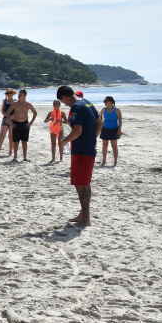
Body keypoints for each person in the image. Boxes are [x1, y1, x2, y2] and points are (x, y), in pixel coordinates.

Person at [58, 86, 102, 226]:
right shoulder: (87, 102)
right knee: (85, 182)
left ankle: (86, 218)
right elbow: (100, 122)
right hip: (89, 148)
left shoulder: (76, 107)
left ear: (64, 97)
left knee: (80, 184)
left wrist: (64, 141)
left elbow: (77, 131)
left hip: (81, 150)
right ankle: (83, 214)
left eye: (63, 102)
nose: (65, 105)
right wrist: (92, 138)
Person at [5, 89, 37, 162]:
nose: (19, 96)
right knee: (16, 141)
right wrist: (10, 123)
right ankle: (15, 156)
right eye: (19, 94)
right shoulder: (15, 103)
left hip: (25, 124)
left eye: (21, 95)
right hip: (16, 123)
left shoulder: (28, 104)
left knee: (24, 141)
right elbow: (8, 112)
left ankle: (25, 157)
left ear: (25, 96)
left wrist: (30, 123)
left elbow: (35, 113)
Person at [99, 96, 122, 166]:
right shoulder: (104, 109)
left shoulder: (117, 110)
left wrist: (119, 130)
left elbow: (120, 121)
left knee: (114, 146)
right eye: (104, 101)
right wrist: (101, 122)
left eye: (106, 101)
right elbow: (99, 116)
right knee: (104, 145)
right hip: (105, 129)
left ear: (111, 102)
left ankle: (115, 162)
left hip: (114, 129)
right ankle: (104, 161)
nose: (104, 102)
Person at [0, 89, 16, 157]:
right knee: (1, 136)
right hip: (5, 120)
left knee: (11, 137)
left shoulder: (15, 101)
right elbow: (2, 111)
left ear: (13, 94)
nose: (9, 94)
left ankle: (10, 151)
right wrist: (7, 117)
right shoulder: (4, 101)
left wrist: (10, 118)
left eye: (10, 93)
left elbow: (16, 112)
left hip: (13, 120)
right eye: (8, 93)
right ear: (6, 94)